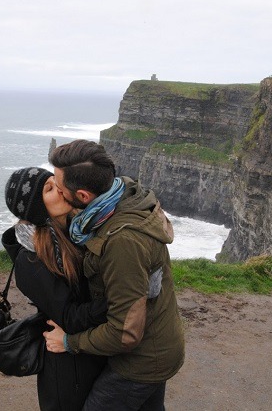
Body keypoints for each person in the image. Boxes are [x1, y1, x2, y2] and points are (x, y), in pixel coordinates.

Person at [43, 140, 185, 410]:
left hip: (142, 360)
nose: (57, 193)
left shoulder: (123, 242)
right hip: (159, 345)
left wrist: (69, 342)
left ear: (83, 196)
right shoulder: (122, 194)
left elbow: (124, 332)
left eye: (60, 189)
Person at [2, 166, 108, 411]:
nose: (60, 188)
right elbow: (69, 316)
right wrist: (121, 301)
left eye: (55, 181)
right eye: (49, 189)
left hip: (93, 350)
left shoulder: (75, 230)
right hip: (70, 371)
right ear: (36, 209)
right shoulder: (30, 261)